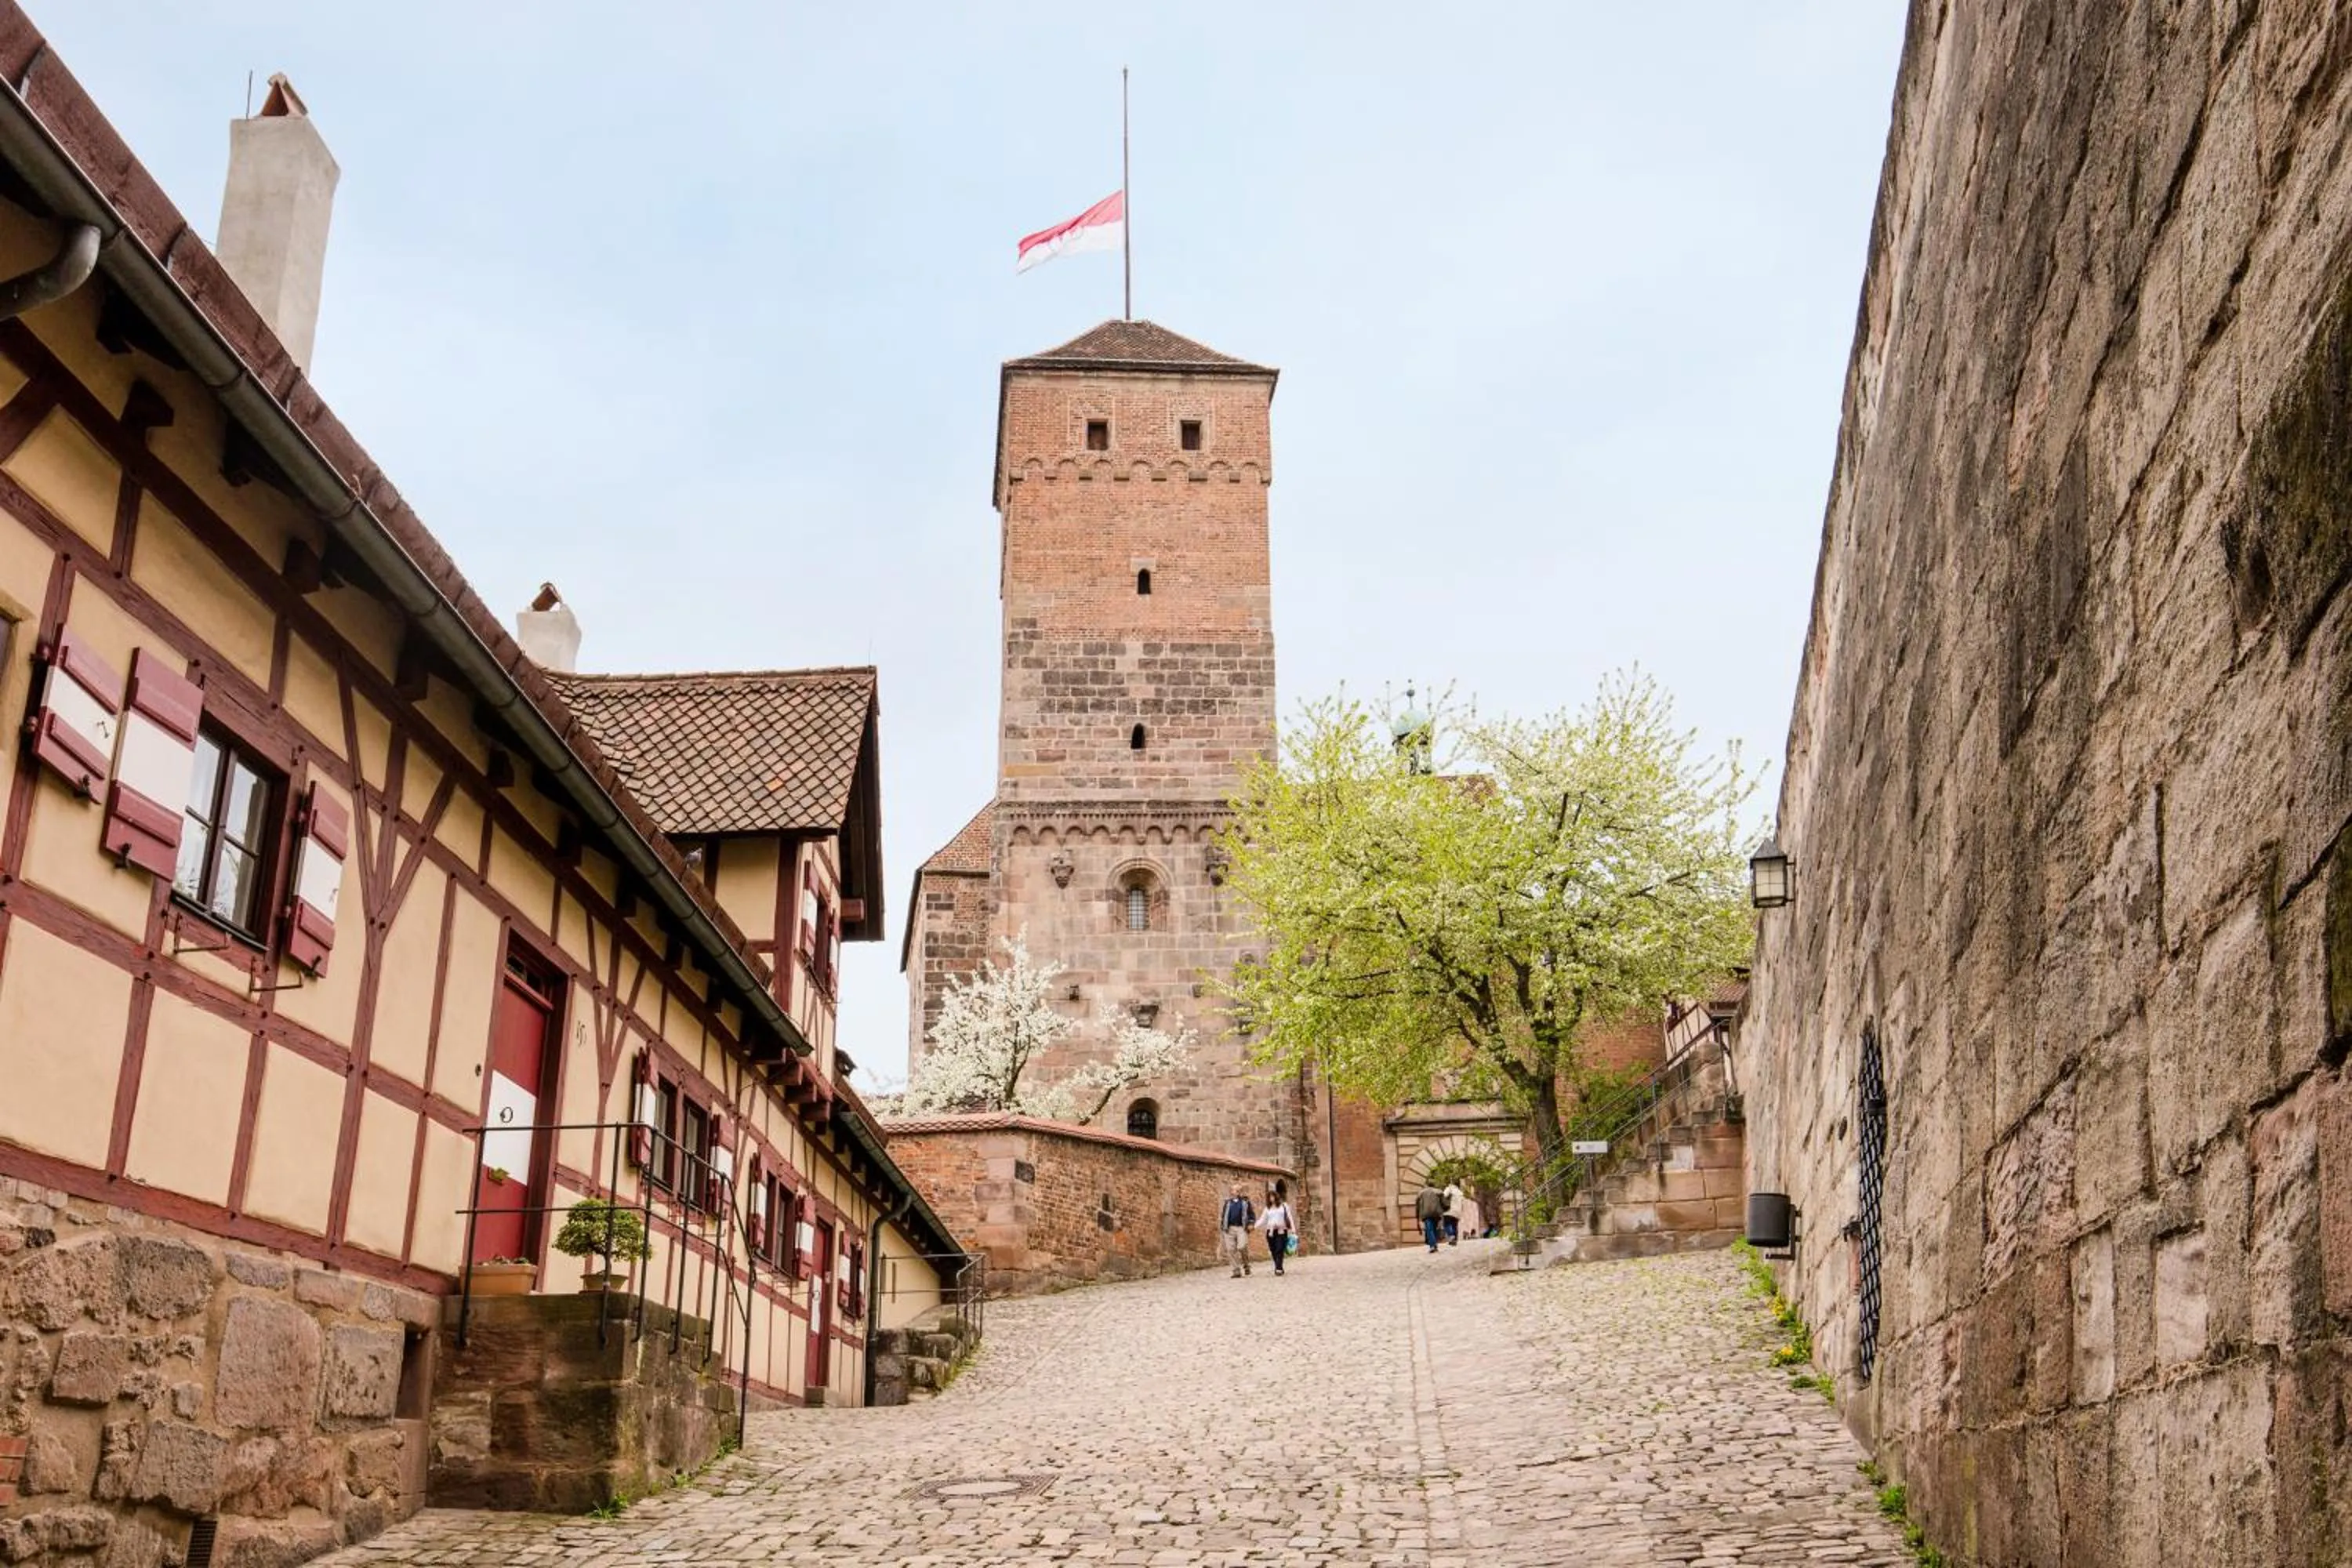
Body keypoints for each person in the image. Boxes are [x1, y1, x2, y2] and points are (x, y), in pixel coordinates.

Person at [1220, 1184, 1257, 1277]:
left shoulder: (1245, 1203)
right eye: (1232, 1190)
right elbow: (1224, 1215)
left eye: (1235, 1190)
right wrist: (1223, 1226)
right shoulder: (1228, 1203)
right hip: (1229, 1228)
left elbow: (1252, 1215)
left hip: (1241, 1227)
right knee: (1230, 1250)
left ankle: (1247, 1266)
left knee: (1242, 1247)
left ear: (1239, 1192)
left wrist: (1251, 1224)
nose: (1232, 1192)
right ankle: (1236, 1270)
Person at [1258, 1192, 1296, 1276]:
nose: (1271, 1199)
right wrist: (1254, 1226)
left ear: (1276, 1197)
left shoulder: (1284, 1206)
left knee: (1280, 1249)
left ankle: (1278, 1268)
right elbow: (1262, 1220)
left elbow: (1289, 1217)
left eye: (1273, 1197)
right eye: (1269, 1197)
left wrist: (1293, 1229)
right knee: (1273, 1250)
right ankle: (1279, 1266)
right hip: (1270, 1231)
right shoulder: (1267, 1208)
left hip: (1281, 1231)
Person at [1414, 1182, 1446, 1253]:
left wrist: (1417, 1215)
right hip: (1436, 1213)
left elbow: (1417, 1205)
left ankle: (1433, 1245)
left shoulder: (1421, 1193)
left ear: (1427, 1185)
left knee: (1429, 1229)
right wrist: (1443, 1211)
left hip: (1426, 1213)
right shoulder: (1439, 1191)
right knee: (1434, 1229)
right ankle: (1435, 1245)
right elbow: (1445, 1203)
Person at [1442, 1181, 1465, 1246]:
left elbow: (1444, 1196)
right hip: (1457, 1212)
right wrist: (1461, 1213)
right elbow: (1462, 1205)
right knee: (1454, 1225)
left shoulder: (1449, 1189)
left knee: (1446, 1224)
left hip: (1449, 1210)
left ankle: (1451, 1235)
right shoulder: (1461, 1193)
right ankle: (1454, 1241)